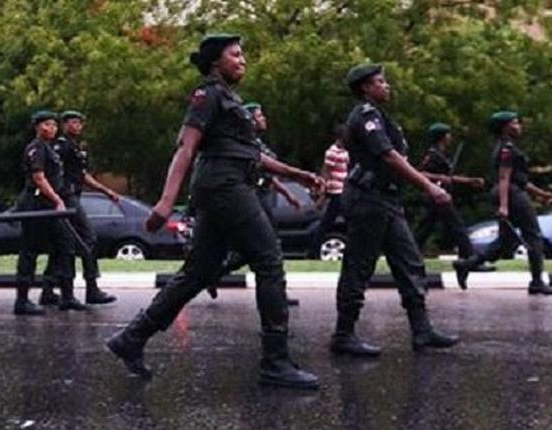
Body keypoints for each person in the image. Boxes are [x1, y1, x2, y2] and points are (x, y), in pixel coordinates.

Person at [106, 34, 323, 389]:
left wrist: (299, 174)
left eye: (243, 54)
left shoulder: (229, 98)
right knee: (269, 261)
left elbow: (253, 155)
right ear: (214, 62)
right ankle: (275, 362)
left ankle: (132, 338)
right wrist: (165, 202)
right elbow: (186, 148)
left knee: (198, 272)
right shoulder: (207, 95)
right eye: (235, 55)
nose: (243, 60)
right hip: (225, 187)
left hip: (226, 184)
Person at [330, 64, 458, 358]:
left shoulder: (382, 117)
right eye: (380, 82)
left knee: (410, 261)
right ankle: (343, 334)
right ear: (365, 87)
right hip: (367, 200)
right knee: (359, 267)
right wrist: (429, 186)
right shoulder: (365, 115)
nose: (386, 86)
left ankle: (422, 331)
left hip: (386, 201)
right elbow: (388, 157)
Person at [203, 102, 303, 306]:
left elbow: (268, 174)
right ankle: (275, 297)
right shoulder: (247, 144)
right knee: (268, 248)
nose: (263, 118)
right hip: (253, 198)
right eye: (258, 116)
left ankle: (214, 274)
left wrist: (287, 194)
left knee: (256, 250)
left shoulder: (256, 142)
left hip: (263, 196)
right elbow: (264, 167)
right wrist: (301, 176)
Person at [453, 112, 552, 293]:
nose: (519, 126)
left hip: (512, 192)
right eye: (515, 123)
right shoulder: (507, 148)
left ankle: (467, 264)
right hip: (512, 195)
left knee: (505, 243)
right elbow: (504, 177)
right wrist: (504, 206)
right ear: (505, 127)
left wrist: (542, 194)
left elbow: (519, 179)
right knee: (533, 236)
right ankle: (537, 281)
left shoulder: (507, 147)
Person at [38, 110, 117, 306]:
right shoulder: (61, 146)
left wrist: (105, 190)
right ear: (65, 125)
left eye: (80, 123)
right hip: (66, 198)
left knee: (63, 244)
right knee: (87, 238)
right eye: (73, 123)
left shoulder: (74, 147)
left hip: (71, 197)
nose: (78, 126)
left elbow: (82, 175)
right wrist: (56, 196)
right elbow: (49, 172)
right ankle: (91, 288)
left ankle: (49, 290)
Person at [13, 110, 88, 315]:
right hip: (37, 204)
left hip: (51, 206)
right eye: (47, 125)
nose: (51, 129)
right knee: (30, 250)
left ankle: (66, 295)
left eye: (54, 125)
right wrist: (57, 200)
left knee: (65, 246)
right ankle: (22, 300)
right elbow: (39, 178)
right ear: (37, 127)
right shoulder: (36, 148)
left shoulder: (50, 149)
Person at [414, 123, 485, 283]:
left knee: (424, 230)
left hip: (442, 196)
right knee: (457, 227)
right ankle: (468, 259)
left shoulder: (440, 155)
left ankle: (408, 256)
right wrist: (439, 178)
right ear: (442, 136)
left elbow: (449, 178)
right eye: (448, 134)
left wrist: (469, 181)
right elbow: (421, 173)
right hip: (437, 196)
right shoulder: (432, 155)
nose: (450, 137)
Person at [313, 124, 349, 256]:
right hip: (336, 192)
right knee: (326, 223)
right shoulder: (332, 152)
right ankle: (313, 250)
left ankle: (313, 249)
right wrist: (322, 193)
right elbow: (326, 172)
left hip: (343, 190)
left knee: (333, 222)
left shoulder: (345, 151)